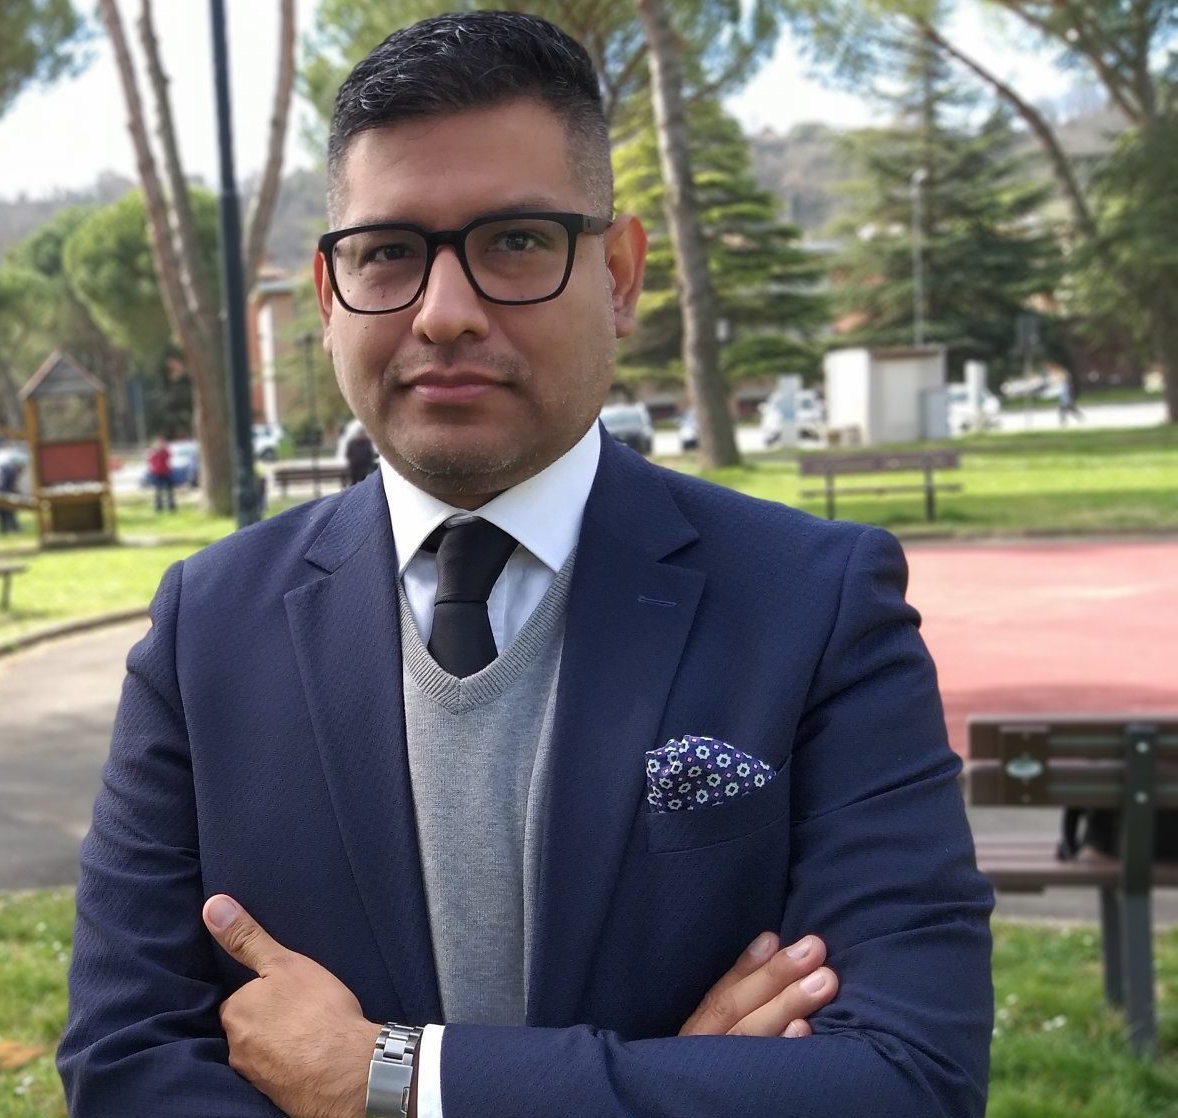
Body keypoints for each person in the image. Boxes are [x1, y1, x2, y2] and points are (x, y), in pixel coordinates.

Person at [58, 13, 991, 1118]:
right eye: (388, 252)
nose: (444, 314)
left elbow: (906, 1077)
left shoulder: (813, 603)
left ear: (620, 274)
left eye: (515, 241)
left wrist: (393, 1077)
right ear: (327, 294)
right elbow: (125, 1066)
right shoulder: (207, 627)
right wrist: (667, 1085)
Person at [146, 435, 176, 514]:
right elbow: (151, 462)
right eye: (158, 444)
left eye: (161, 443)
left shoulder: (165, 452)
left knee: (169, 491)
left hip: (166, 473)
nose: (159, 445)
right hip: (157, 474)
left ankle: (172, 507)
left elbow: (169, 456)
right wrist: (156, 452)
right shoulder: (152, 453)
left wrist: (163, 450)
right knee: (158, 491)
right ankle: (158, 508)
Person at [0, 455, 23, 535]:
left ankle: (9, 528)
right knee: (7, 512)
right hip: (2, 494)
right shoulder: (10, 473)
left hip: (3, 493)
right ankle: (10, 528)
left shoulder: (9, 471)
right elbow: (5, 485)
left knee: (8, 513)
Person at [345, 421, 378, 485]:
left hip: (364, 468)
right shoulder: (352, 443)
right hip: (354, 468)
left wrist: (367, 462)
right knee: (354, 483)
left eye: (361, 435)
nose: (360, 437)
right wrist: (353, 461)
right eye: (359, 435)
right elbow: (348, 454)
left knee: (363, 482)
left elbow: (370, 453)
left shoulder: (367, 442)